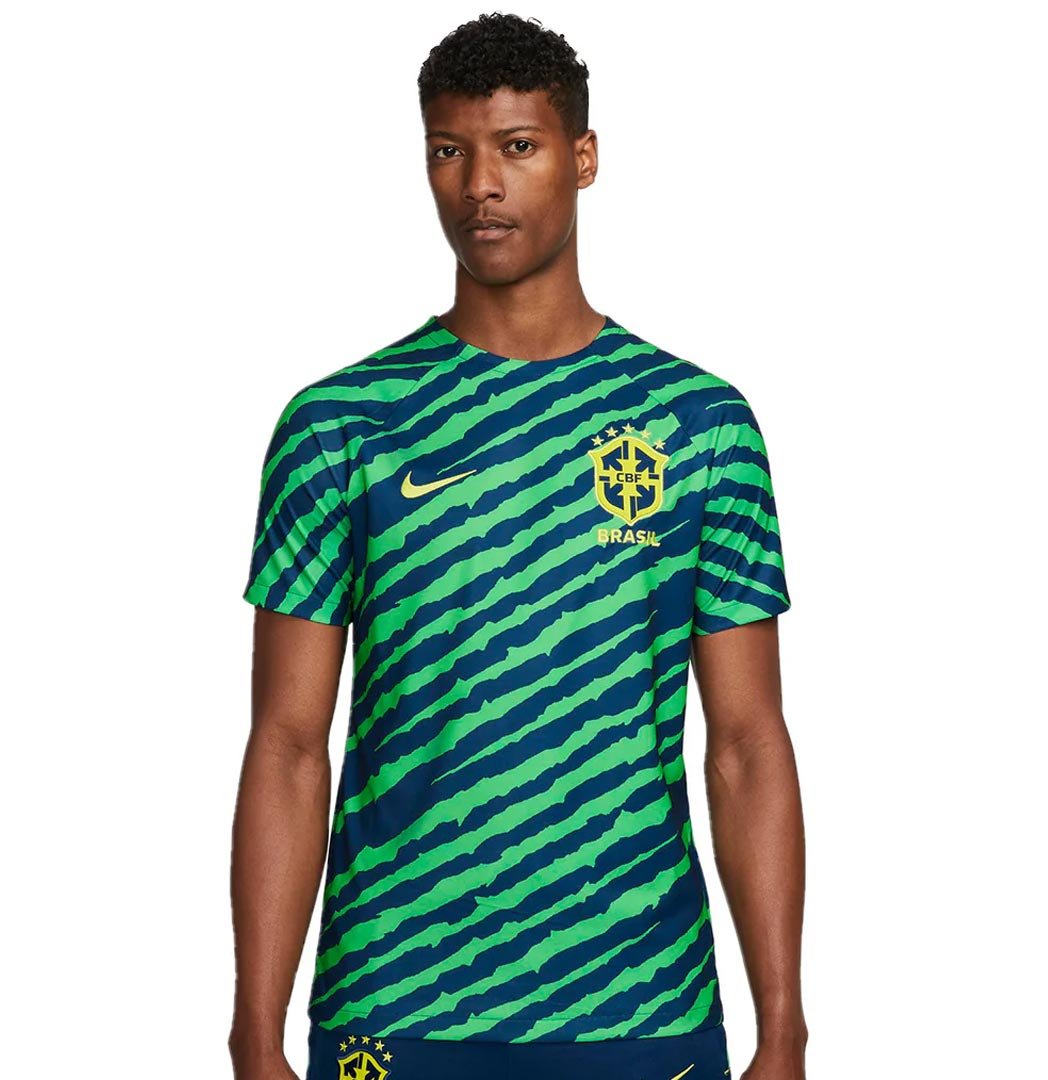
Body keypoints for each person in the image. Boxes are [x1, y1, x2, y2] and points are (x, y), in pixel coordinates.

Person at [229, 13, 807, 1080]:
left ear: (583, 158)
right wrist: (253, 1035)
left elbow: (747, 744)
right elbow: (289, 747)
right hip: (393, 1004)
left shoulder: (698, 424)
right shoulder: (341, 426)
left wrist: (786, 1029)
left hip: (642, 1001)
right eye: (449, 150)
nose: (480, 185)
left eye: (518, 146)